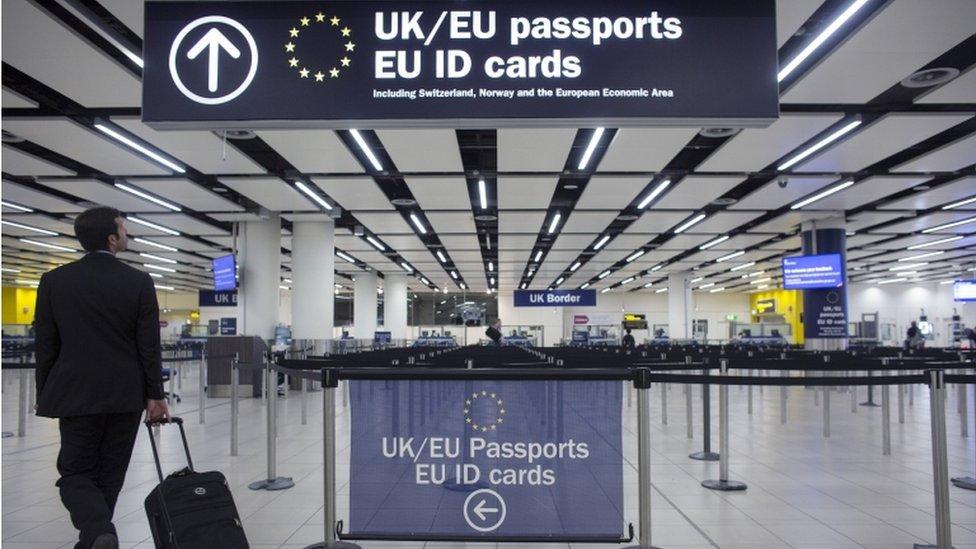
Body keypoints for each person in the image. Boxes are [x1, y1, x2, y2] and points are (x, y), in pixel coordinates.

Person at [34, 207, 169, 549]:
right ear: (111, 238)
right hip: (125, 394)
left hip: (75, 394)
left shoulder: (54, 281)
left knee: (75, 473)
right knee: (110, 473)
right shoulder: (138, 281)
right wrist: (155, 394)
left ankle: (97, 532)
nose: (127, 234)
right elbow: (148, 345)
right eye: (123, 228)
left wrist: (47, 391)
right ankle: (96, 535)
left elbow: (46, 344)